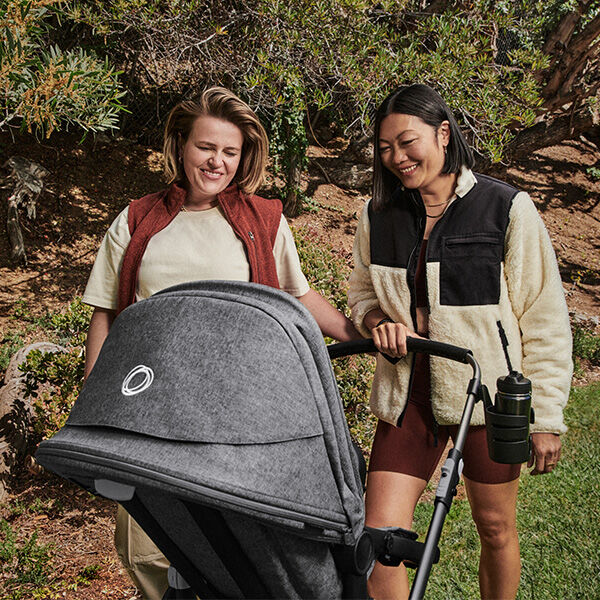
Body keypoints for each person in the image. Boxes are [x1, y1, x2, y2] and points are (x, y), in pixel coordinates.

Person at [82, 86, 360, 599]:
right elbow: (108, 316)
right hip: (150, 413)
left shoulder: (262, 222)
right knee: (147, 549)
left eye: (230, 152)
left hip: (236, 416)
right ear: (181, 145)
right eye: (206, 147)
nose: (217, 161)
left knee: (234, 552)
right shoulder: (137, 220)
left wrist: (359, 333)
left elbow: (296, 296)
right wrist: (93, 417)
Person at [348, 83, 572, 600]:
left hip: (489, 401)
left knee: (494, 529)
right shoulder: (377, 214)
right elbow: (360, 292)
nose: (397, 158)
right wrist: (377, 318)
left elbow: (544, 317)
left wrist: (545, 417)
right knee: (378, 536)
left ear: (443, 133)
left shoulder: (506, 207)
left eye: (408, 142)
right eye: (385, 148)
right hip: (409, 399)